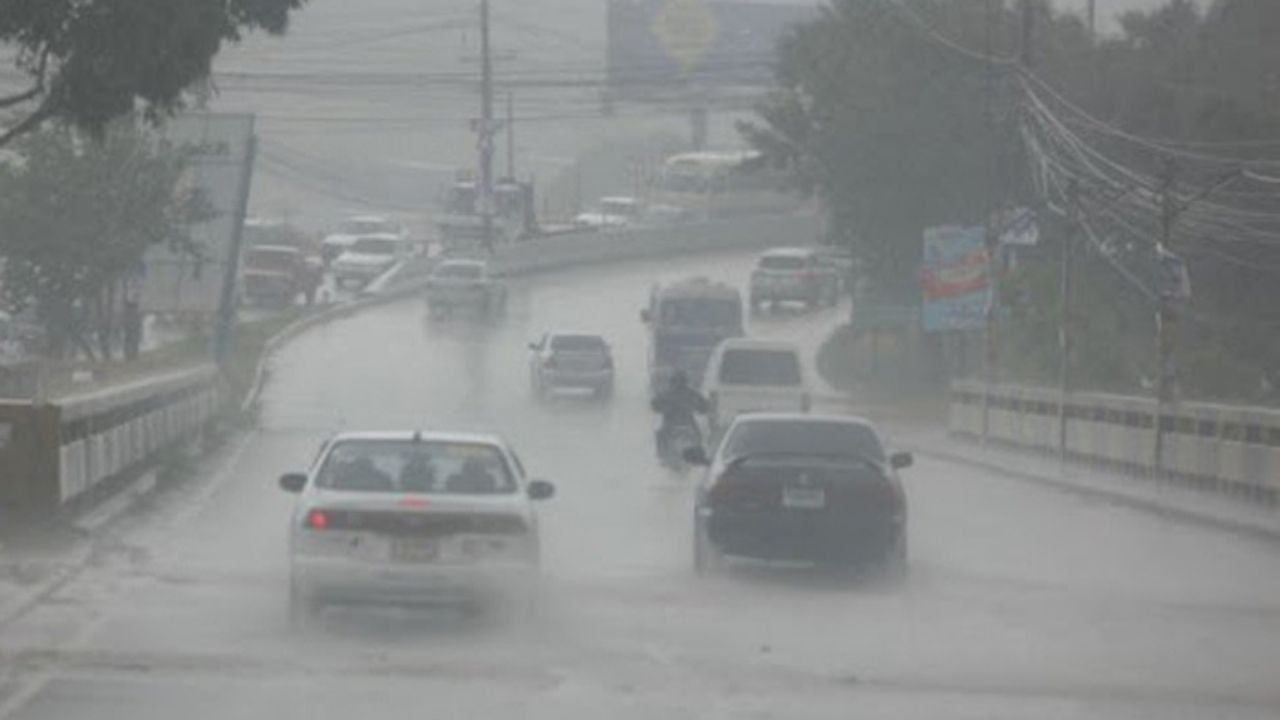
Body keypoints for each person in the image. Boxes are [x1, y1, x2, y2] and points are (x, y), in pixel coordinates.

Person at [650, 371, 709, 459]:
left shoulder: (666, 393)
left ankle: (664, 457)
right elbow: (703, 405)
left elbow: (655, 404)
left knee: (660, 435)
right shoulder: (691, 393)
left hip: (673, 424)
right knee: (698, 435)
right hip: (686, 423)